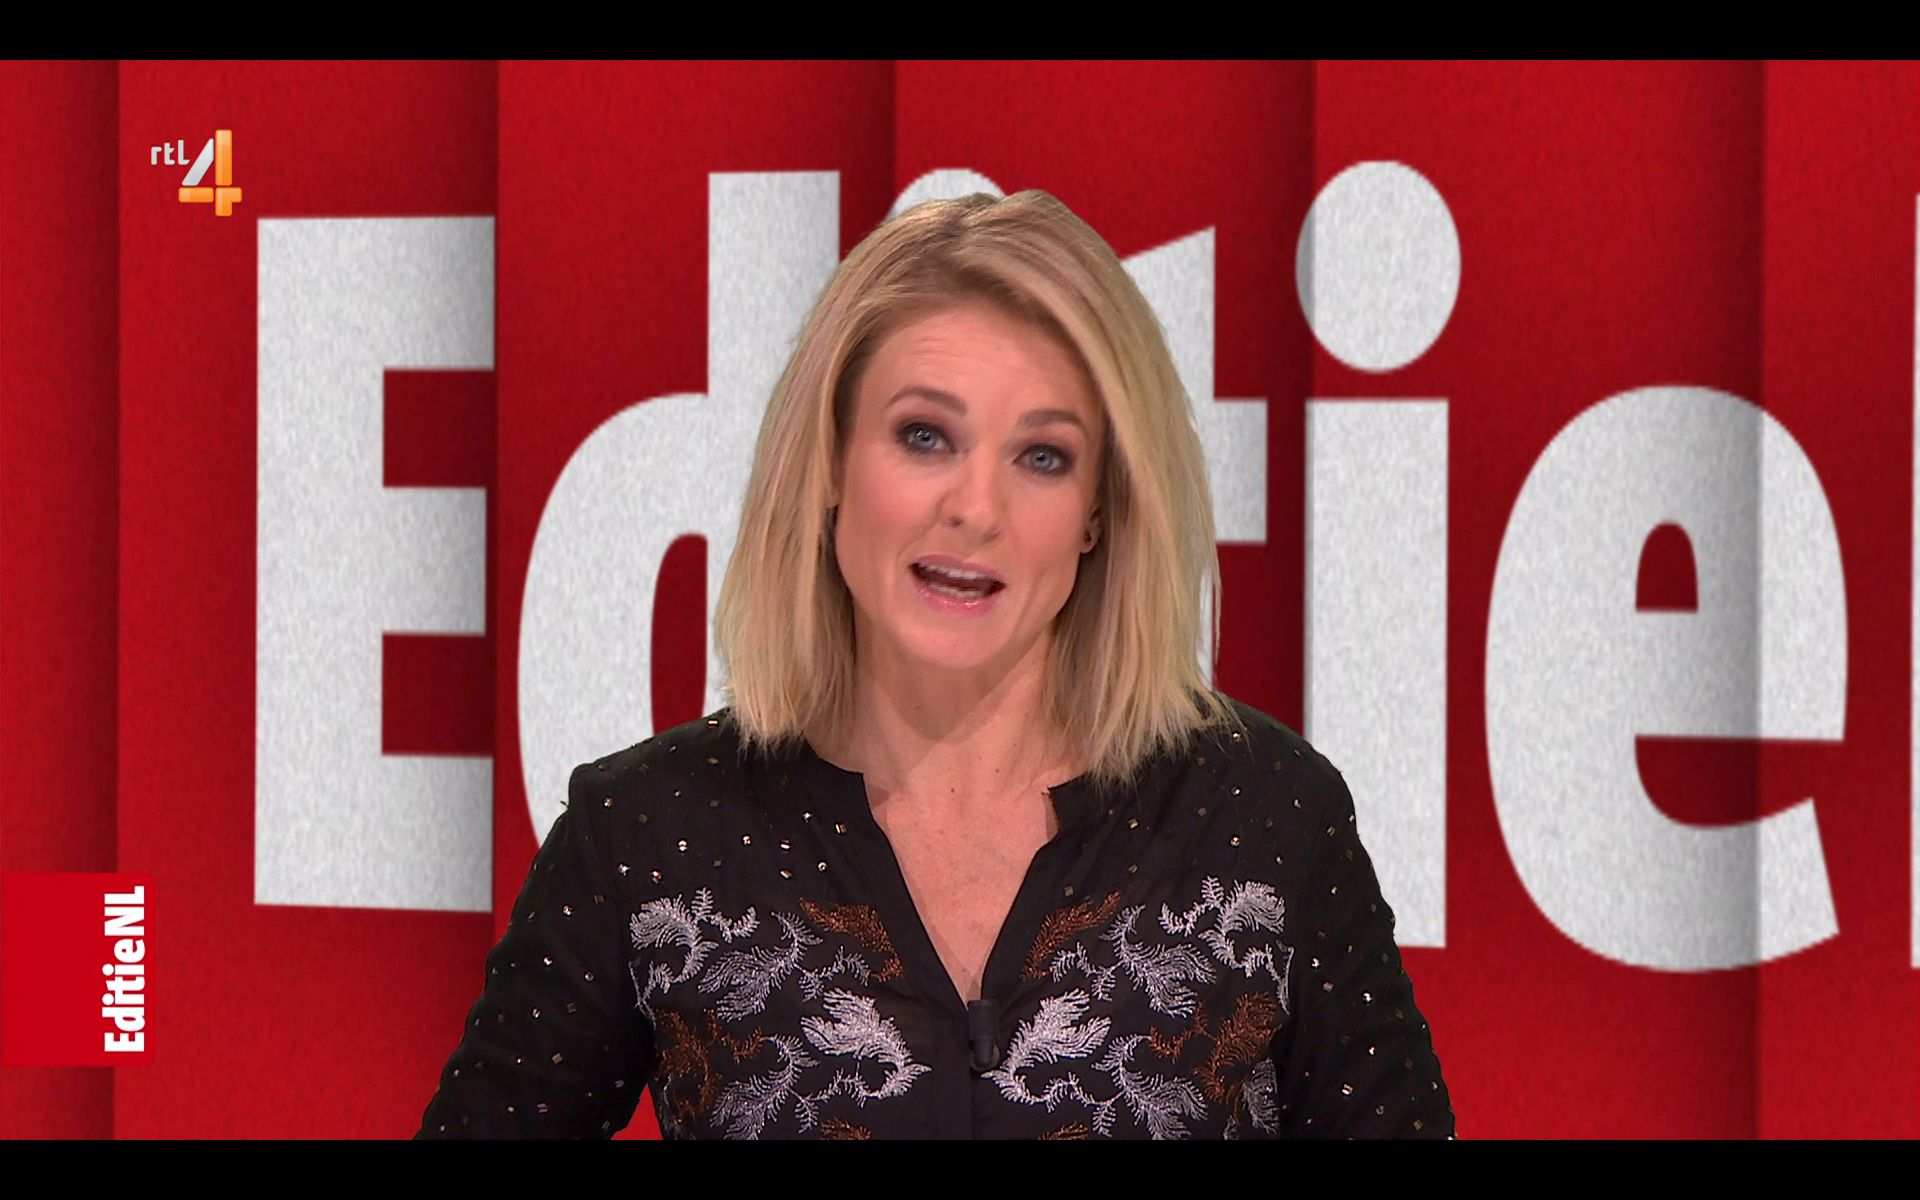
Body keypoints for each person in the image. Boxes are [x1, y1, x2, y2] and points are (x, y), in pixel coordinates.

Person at [417, 190, 1454, 1140]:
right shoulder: (648, 832)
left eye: (1042, 456)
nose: (976, 508)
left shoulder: (1267, 818)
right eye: (924, 436)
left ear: (1098, 511)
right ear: (830, 463)